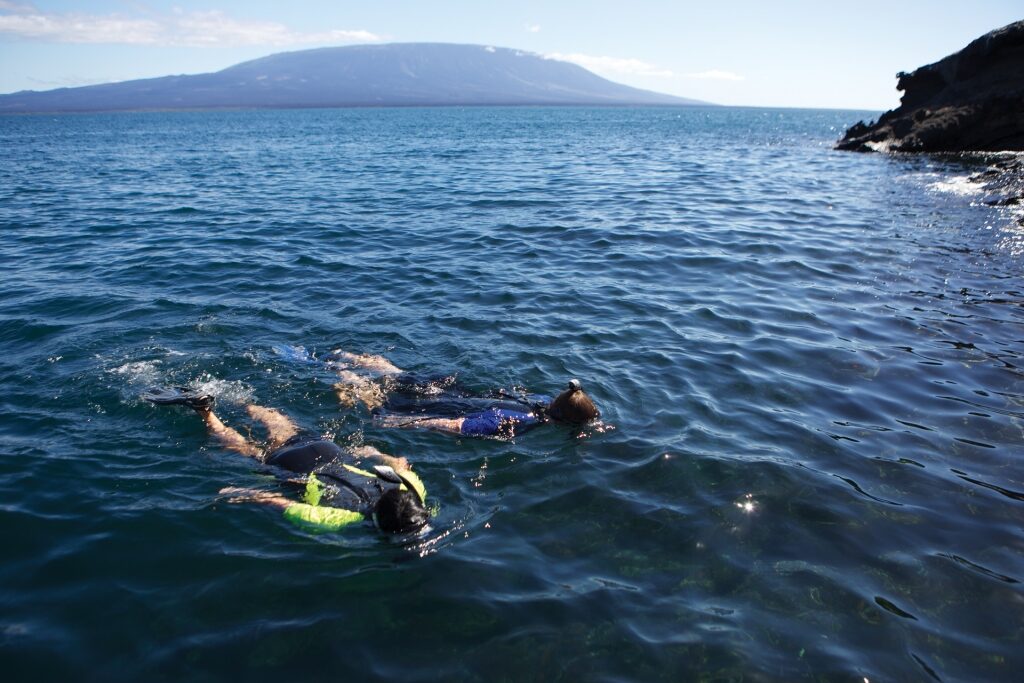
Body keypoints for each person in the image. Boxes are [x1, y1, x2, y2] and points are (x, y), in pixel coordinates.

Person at [142, 387, 430, 534]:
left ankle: (242, 401)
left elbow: (401, 463)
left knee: (280, 426)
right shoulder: (343, 517)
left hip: (327, 449)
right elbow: (282, 503)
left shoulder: (411, 490)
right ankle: (205, 411)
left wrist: (375, 454)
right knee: (245, 449)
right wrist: (242, 494)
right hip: (292, 466)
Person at [328, 350, 601, 439]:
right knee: (379, 406)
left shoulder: (541, 400)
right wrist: (403, 424)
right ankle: (345, 376)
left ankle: (346, 358)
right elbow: (456, 425)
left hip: (459, 393)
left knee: (399, 375)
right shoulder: (518, 422)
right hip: (447, 408)